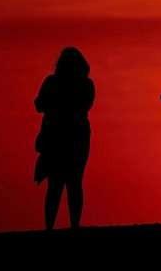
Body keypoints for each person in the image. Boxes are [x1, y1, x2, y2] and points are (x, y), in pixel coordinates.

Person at [34, 47, 95, 230]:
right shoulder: (86, 84)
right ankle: (74, 225)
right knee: (74, 182)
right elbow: (85, 106)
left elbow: (39, 105)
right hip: (76, 136)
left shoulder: (52, 82)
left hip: (57, 136)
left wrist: (54, 104)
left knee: (55, 184)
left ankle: (50, 227)